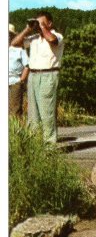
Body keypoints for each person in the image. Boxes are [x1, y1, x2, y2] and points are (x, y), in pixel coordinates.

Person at [10, 11, 64, 143]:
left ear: (49, 23)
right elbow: (14, 43)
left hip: (48, 74)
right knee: (32, 114)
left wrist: (43, 27)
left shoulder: (57, 35)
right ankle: (35, 145)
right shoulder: (34, 38)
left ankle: (49, 145)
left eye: (41, 22)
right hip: (33, 76)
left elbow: (52, 40)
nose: (38, 25)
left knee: (47, 112)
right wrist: (28, 28)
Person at [8, 24, 30, 117]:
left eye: (9, 34)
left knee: (15, 109)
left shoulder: (19, 50)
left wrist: (21, 80)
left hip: (15, 82)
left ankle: (15, 130)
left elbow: (27, 65)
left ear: (13, 36)